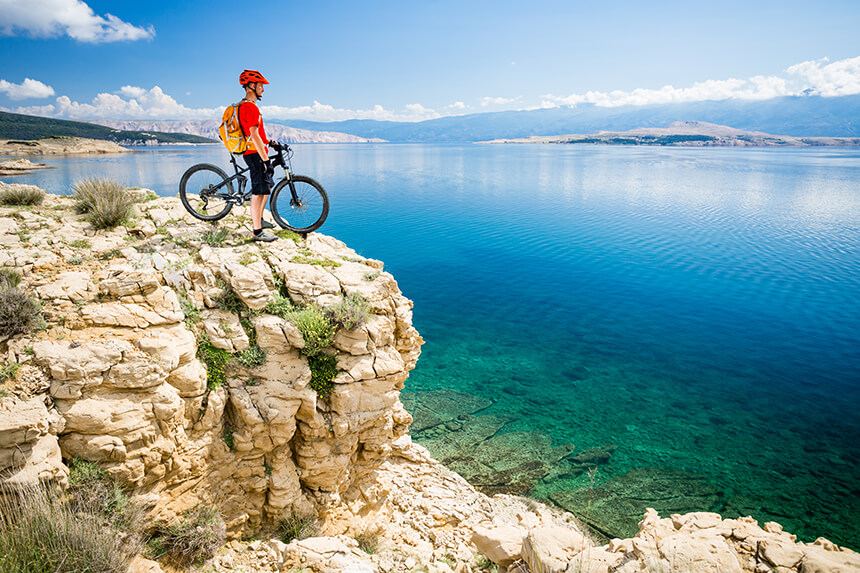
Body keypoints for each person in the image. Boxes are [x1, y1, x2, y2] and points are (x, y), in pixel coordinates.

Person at [238, 69, 277, 242]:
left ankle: (259, 219)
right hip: (254, 154)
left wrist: (269, 142)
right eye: (261, 85)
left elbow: (258, 134)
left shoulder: (248, 106)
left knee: (267, 187)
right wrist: (266, 160)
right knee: (257, 192)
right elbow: (253, 136)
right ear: (251, 86)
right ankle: (257, 232)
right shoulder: (249, 107)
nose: (263, 89)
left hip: (256, 151)